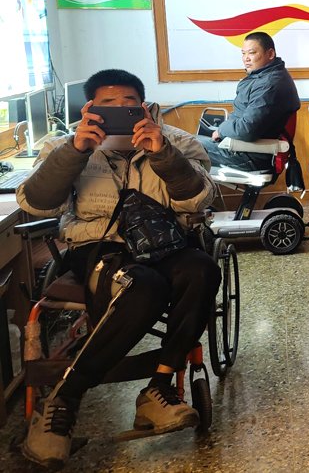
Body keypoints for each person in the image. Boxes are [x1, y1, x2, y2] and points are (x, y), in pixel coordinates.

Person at [16, 69, 220, 468]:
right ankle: (65, 397)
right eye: (107, 104)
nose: (119, 110)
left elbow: (199, 200)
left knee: (203, 270)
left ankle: (158, 388)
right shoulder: (65, 146)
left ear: (143, 107)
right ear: (89, 108)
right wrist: (75, 150)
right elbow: (36, 203)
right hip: (99, 246)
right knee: (143, 285)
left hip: (165, 242)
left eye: (128, 103)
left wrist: (163, 154)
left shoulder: (177, 142)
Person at [200, 31, 300, 171]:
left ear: (270, 54)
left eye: (252, 53)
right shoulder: (266, 76)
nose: (246, 59)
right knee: (183, 141)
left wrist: (221, 130)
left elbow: (247, 129)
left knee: (182, 146)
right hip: (240, 147)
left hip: (249, 156)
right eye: (243, 53)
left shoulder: (269, 84)